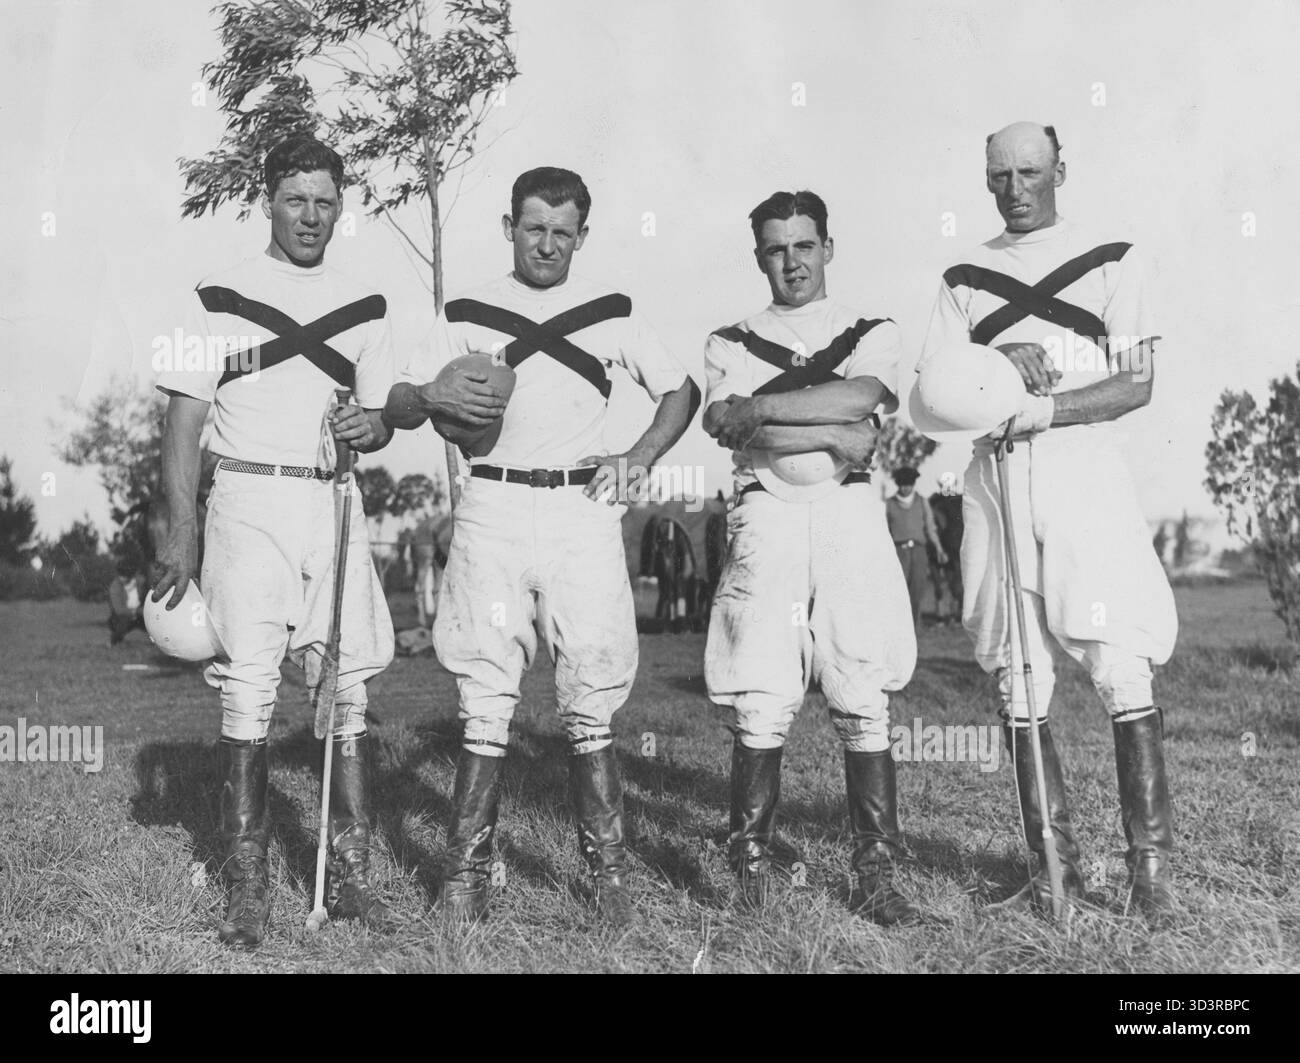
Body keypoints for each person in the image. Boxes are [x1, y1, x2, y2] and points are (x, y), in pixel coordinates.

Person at [385, 166, 698, 926]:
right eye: (534, 228)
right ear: (508, 227)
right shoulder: (464, 309)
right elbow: (396, 399)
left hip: (579, 505)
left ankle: (608, 874)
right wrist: (429, 398)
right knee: (485, 690)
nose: (548, 244)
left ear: (582, 236)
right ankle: (467, 873)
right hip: (490, 498)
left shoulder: (613, 312)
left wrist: (639, 457)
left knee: (591, 689)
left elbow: (681, 389)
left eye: (563, 232)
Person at [920, 122, 1178, 922]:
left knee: (1121, 661)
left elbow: (1135, 385)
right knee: (1015, 672)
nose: (1016, 188)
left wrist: (1038, 406)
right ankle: (1052, 871)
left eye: (1031, 171)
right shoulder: (963, 277)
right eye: (1000, 175)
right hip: (997, 481)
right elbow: (930, 397)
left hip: (1083, 472)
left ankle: (1150, 875)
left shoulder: (1114, 259)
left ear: (1060, 169)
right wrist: (999, 369)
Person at [152, 135, 398, 948]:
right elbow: (183, 419)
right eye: (296, 199)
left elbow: (383, 417)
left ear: (342, 205)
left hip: (331, 498)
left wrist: (374, 424)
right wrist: (180, 529)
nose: (312, 215)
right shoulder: (214, 294)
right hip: (247, 498)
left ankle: (351, 872)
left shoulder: (367, 302)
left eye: (326, 200)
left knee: (346, 685)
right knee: (250, 685)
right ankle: (247, 885)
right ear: (267, 198)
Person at [702, 190, 921, 923]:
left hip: (849, 512)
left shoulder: (869, 329)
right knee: (761, 682)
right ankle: (753, 861)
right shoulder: (731, 339)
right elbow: (730, 426)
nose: (791, 261)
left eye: (803, 245)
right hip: (765, 515)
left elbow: (863, 395)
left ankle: (876, 867)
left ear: (828, 246)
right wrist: (826, 431)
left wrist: (764, 409)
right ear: (759, 255)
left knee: (861, 676)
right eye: (775, 248)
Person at [884, 466, 947, 628]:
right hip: (898, 552)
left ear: (913, 484)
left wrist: (939, 548)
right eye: (902, 484)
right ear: (898, 485)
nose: (906, 488)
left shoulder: (922, 501)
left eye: (909, 484)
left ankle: (913, 624)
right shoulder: (889, 504)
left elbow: (930, 527)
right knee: (899, 589)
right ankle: (898, 625)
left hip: (918, 551)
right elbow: (885, 532)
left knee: (917, 588)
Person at [928, 472, 965, 625]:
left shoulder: (961, 501)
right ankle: (942, 615)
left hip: (956, 547)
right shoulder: (934, 501)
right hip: (937, 547)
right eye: (944, 485)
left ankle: (958, 614)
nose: (947, 488)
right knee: (939, 583)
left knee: (957, 582)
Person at [107, 559, 147, 646]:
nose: (123, 578)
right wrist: (137, 611)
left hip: (139, 615)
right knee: (123, 621)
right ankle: (113, 641)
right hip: (120, 617)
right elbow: (119, 610)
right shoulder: (115, 587)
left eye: (126, 575)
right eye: (121, 575)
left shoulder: (139, 582)